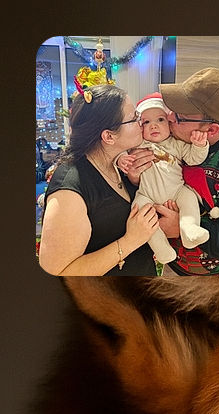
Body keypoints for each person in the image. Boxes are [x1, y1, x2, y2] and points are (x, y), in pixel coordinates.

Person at [122, 67, 219, 275]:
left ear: (211, 130)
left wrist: (181, 226)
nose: (169, 117)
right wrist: (135, 179)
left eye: (180, 117)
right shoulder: (169, 135)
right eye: (172, 109)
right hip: (172, 268)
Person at [38, 83, 161, 276]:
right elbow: (58, 272)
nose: (141, 122)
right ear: (109, 136)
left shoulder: (119, 161)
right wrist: (130, 241)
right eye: (134, 118)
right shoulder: (69, 190)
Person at [131, 93, 211, 266]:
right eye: (146, 122)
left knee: (189, 197)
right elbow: (121, 154)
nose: (153, 125)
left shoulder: (176, 144)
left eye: (160, 120)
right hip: (147, 195)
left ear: (169, 123)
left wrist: (199, 145)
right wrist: (121, 159)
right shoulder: (138, 145)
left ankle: (189, 230)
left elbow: (193, 159)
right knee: (139, 212)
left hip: (177, 191)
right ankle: (161, 249)